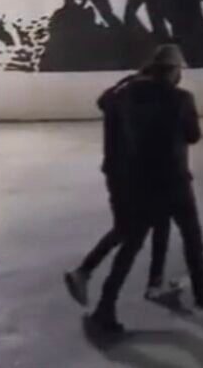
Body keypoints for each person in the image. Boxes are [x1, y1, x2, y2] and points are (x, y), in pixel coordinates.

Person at [79, 44, 203, 334]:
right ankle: (201, 289)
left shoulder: (128, 95)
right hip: (174, 179)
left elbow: (103, 102)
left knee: (131, 246)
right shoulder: (181, 98)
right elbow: (193, 136)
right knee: (191, 236)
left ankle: (105, 307)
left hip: (142, 180)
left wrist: (131, 80)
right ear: (173, 70)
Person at [64, 65, 175, 310]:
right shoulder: (140, 95)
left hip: (115, 171)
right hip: (133, 174)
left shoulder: (120, 91)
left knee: (127, 228)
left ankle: (85, 273)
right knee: (149, 226)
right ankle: (149, 285)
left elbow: (103, 103)